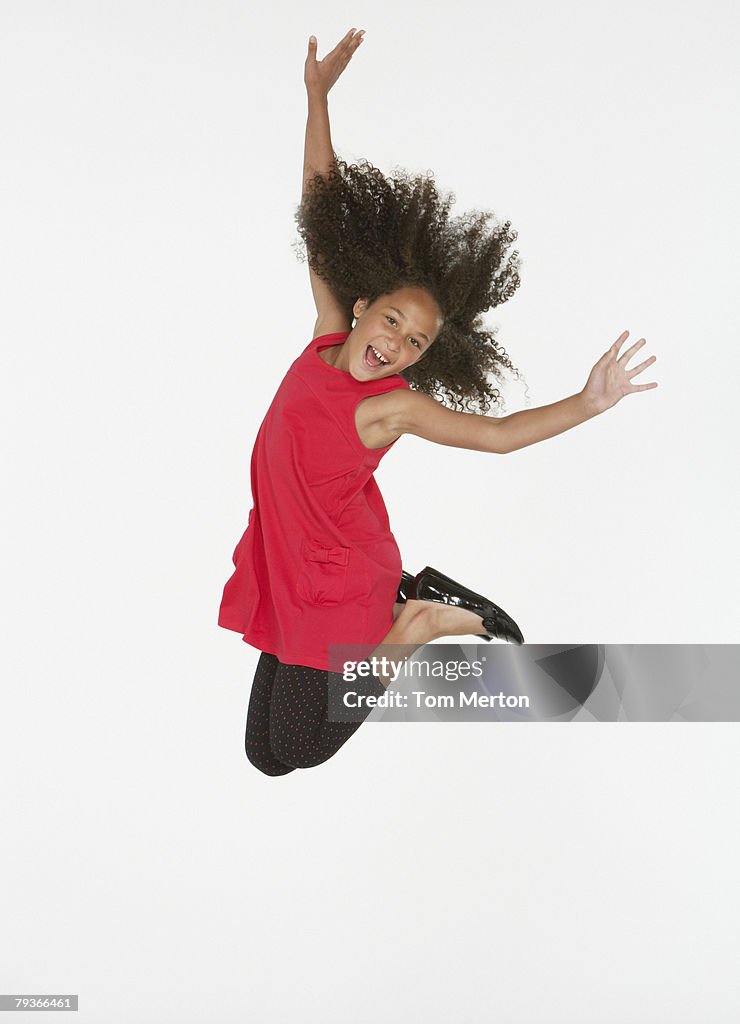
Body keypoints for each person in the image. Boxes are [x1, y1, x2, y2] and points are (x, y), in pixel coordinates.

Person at [218, 28, 658, 777]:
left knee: (296, 749)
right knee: (263, 754)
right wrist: (317, 99)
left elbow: (495, 436)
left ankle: (415, 620)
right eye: (392, 321)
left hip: (333, 578)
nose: (396, 344)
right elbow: (319, 208)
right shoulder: (326, 337)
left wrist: (586, 402)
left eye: (417, 343)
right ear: (362, 305)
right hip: (291, 557)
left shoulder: (390, 408)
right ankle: (408, 595)